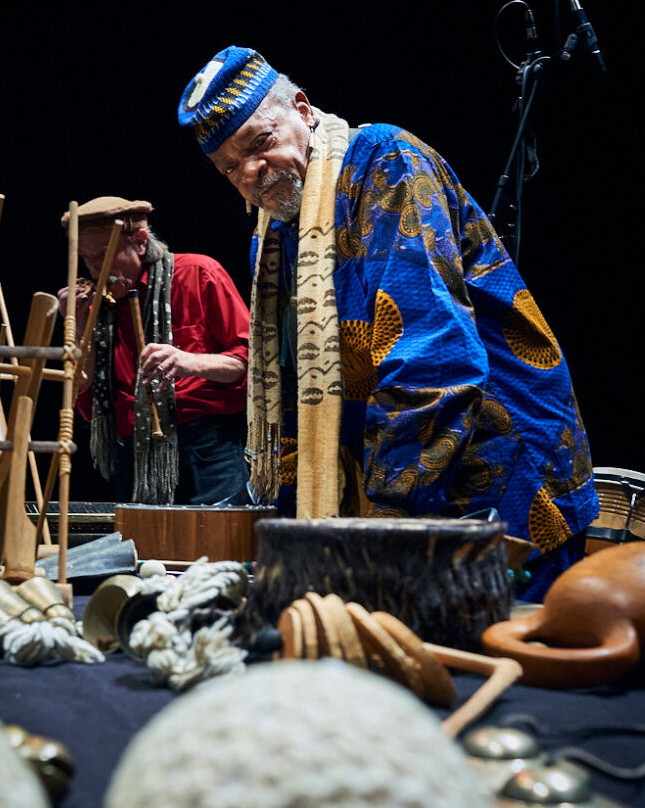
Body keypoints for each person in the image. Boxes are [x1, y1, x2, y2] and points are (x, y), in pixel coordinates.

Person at [177, 46, 598, 597]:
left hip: (497, 466)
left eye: (260, 143)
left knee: (516, 667)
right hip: (392, 478)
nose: (250, 174)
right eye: (229, 167)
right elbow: (290, 390)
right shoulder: (274, 232)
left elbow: (433, 357)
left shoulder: (384, 161)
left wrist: (382, 523)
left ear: (302, 109)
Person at [59, 196, 250, 506]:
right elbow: (85, 402)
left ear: (140, 241)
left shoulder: (198, 273)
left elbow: (248, 364)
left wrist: (187, 361)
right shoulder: (94, 305)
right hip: (132, 455)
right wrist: (80, 330)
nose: (96, 271)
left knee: (220, 551)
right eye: (86, 258)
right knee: (145, 554)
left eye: (104, 256)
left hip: (207, 450)